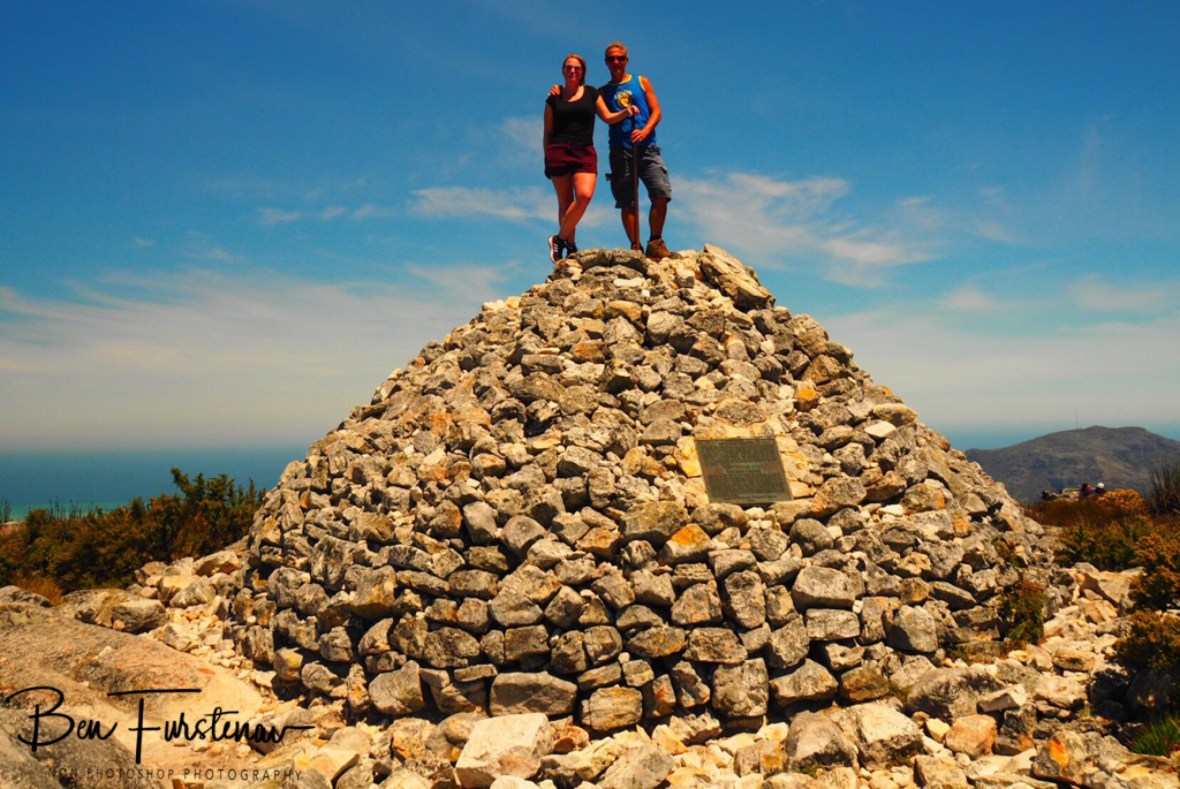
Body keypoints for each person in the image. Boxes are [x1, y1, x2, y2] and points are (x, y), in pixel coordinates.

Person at [544, 53, 637, 264]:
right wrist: (546, 159)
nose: (572, 71)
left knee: (584, 196)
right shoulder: (553, 98)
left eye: (577, 68)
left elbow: (608, 117)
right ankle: (570, 248)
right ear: (563, 70)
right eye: (569, 67)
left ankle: (558, 239)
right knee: (565, 203)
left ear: (583, 72)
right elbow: (547, 132)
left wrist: (625, 112)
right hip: (558, 151)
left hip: (584, 150)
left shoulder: (591, 93)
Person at [598, 41, 673, 258]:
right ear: (606, 62)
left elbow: (657, 112)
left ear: (626, 60)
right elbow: (606, 117)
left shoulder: (641, 82)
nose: (616, 62)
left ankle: (655, 242)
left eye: (620, 58)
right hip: (620, 149)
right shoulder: (602, 92)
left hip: (647, 147)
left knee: (661, 192)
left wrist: (644, 130)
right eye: (611, 59)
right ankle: (635, 247)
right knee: (627, 200)